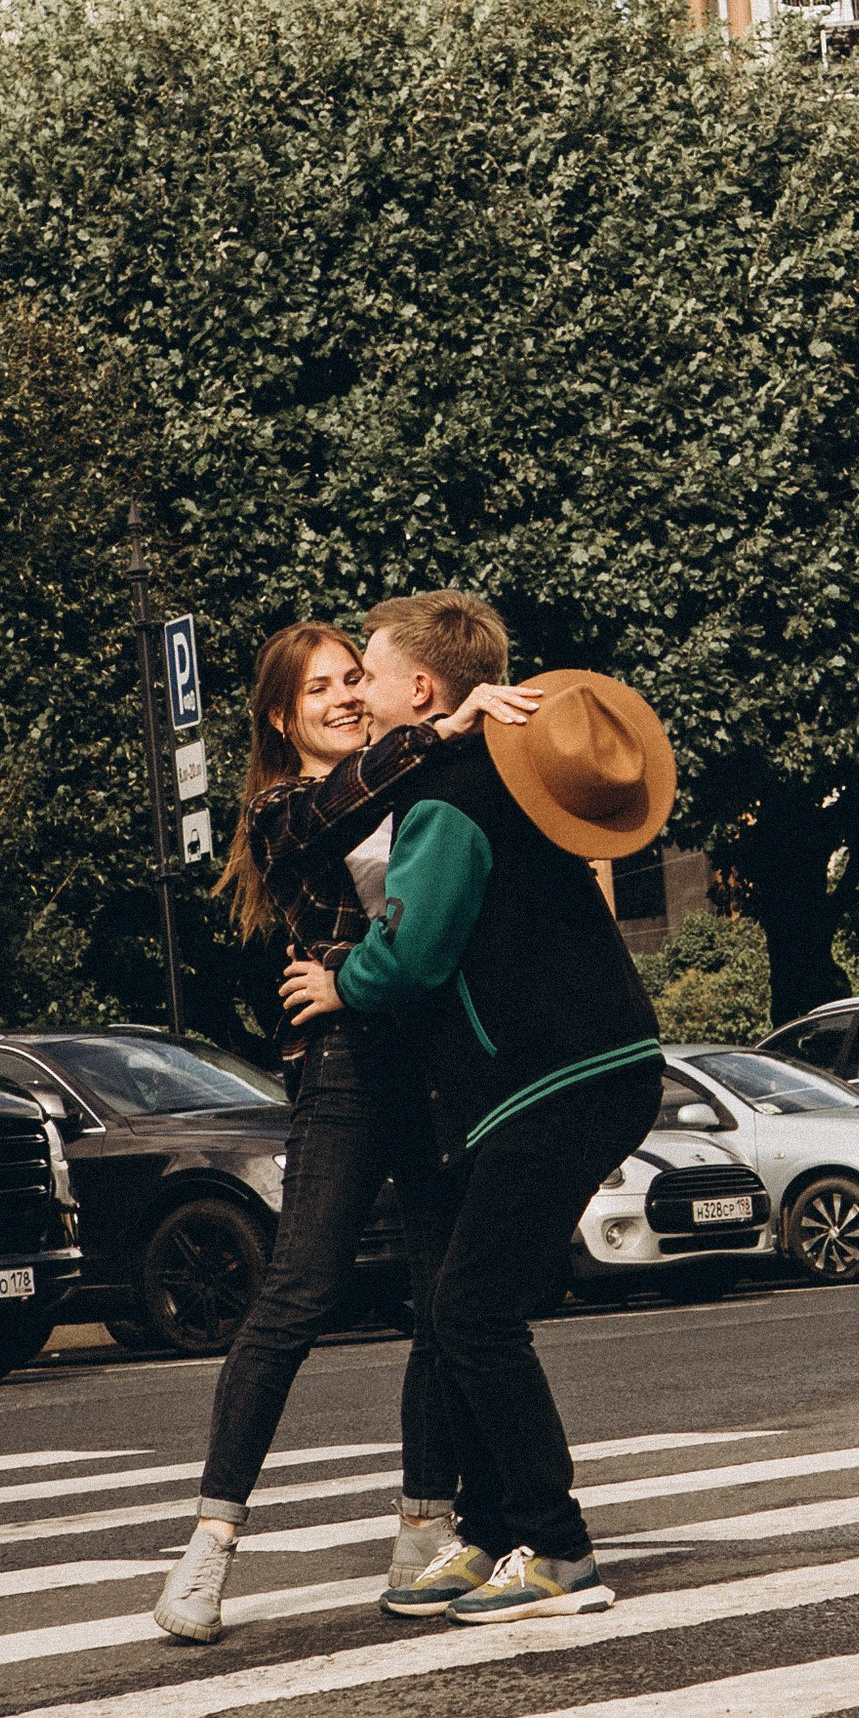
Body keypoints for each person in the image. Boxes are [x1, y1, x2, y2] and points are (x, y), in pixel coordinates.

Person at [151, 596, 537, 1645]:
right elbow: (341, 806)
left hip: (431, 1063)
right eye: (317, 690)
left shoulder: (417, 782)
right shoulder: (285, 812)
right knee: (302, 1289)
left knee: (441, 1293)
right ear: (281, 720)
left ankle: (425, 1523)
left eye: (348, 681)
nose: (342, 700)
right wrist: (437, 729)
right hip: (346, 1068)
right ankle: (209, 1545)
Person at [285, 653, 672, 1627]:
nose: (355, 688)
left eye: (367, 668)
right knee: (460, 1304)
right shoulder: (491, 787)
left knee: (469, 1311)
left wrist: (344, 983)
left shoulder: (448, 801)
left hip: (554, 1080)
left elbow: (413, 952)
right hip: (572, 1075)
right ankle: (494, 1534)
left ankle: (558, 1548)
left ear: (421, 689)